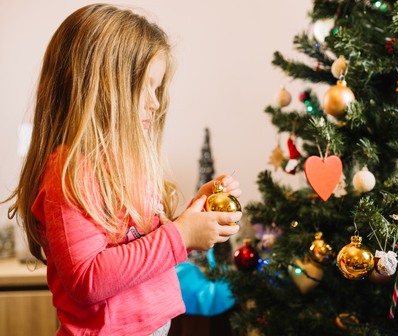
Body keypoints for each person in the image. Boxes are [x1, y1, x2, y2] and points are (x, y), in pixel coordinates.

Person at [2, 4, 241, 336]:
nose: (154, 103)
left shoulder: (127, 166)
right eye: (146, 86)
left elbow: (142, 254)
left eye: (157, 90)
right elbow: (87, 279)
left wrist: (192, 222)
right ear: (98, 86)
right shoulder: (70, 172)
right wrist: (180, 234)